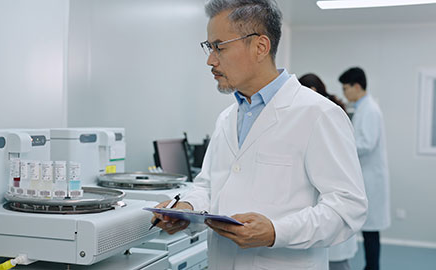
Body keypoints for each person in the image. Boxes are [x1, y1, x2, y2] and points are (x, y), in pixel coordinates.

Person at [151, 1, 368, 269]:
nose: (210, 59)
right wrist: (186, 208)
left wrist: (276, 231)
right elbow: (208, 186)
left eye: (219, 46)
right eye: (209, 47)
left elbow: (347, 209)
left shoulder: (319, 114)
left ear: (260, 47)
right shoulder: (227, 119)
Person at [300, 73, 358, 270]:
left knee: (339, 260)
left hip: (334, 200)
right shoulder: (305, 112)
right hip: (317, 205)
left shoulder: (329, 113)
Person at [339, 67, 391, 270]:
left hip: (371, 178)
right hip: (366, 177)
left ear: (357, 86)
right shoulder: (362, 108)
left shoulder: (370, 109)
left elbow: (367, 144)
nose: (344, 93)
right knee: (369, 233)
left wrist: (342, 146)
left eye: (346, 88)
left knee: (370, 234)